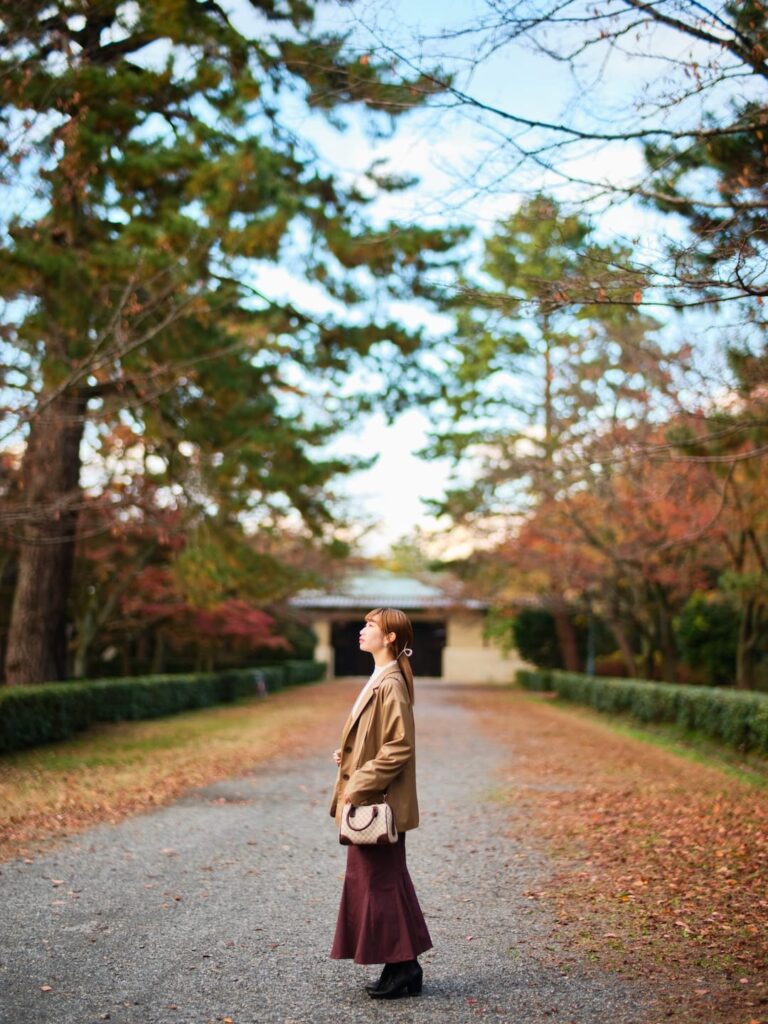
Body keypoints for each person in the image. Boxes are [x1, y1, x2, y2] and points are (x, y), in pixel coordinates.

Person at [329, 607, 432, 998]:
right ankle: (403, 966)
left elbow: (399, 746)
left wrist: (358, 784)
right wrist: (348, 757)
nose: (362, 630)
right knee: (384, 882)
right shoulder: (380, 677)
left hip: (377, 803)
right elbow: (376, 738)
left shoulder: (390, 683)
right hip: (374, 797)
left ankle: (403, 967)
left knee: (379, 884)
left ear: (390, 637)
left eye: (370, 625)